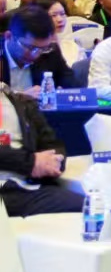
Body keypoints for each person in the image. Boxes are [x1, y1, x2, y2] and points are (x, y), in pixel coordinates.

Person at [0, 75, 80, 215]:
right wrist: (31, 163)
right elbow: (30, 162)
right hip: (10, 184)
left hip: (24, 189)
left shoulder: (21, 102)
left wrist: (53, 162)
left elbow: (52, 144)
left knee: (90, 207)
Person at [1, 4, 78, 95]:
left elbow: (73, 87)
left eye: (42, 49)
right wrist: (20, 97)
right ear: (9, 36)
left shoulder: (50, 51)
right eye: (30, 48)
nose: (35, 55)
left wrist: (60, 93)